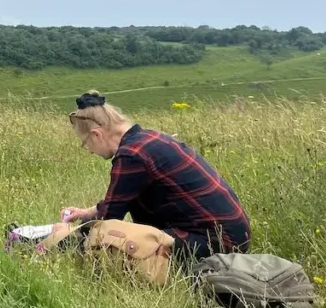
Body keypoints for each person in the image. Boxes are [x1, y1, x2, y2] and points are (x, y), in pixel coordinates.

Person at [60, 90, 250, 263]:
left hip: (216, 244)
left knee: (110, 243)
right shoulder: (148, 139)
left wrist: (64, 235)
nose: (90, 151)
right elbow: (121, 198)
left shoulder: (131, 156)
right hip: (232, 235)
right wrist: (86, 213)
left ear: (96, 135)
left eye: (85, 144)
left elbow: (107, 221)